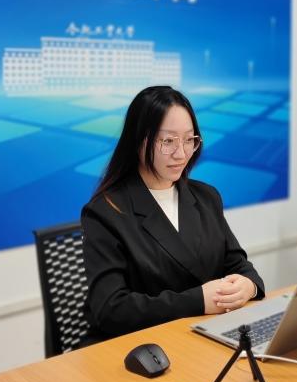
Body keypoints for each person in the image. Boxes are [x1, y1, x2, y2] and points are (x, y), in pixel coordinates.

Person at [81, 85, 265, 341]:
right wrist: (198, 301)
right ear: (138, 141)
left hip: (199, 338)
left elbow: (239, 266)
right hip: (138, 346)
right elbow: (111, 309)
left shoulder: (207, 197)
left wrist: (248, 286)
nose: (182, 153)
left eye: (189, 140)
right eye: (168, 141)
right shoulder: (105, 212)